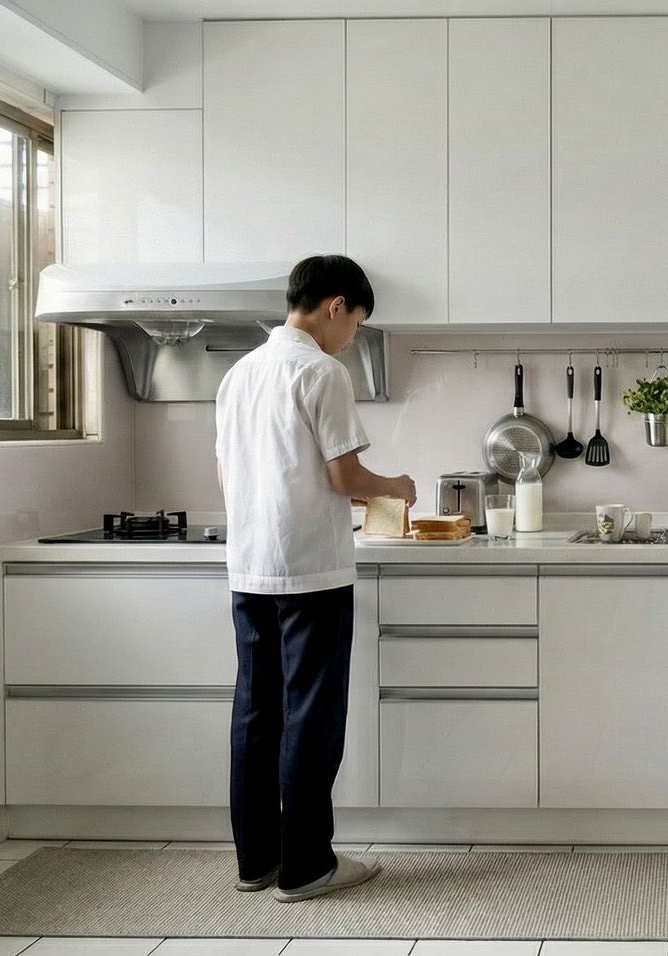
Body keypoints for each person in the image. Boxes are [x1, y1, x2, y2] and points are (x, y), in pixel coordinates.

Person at [214, 254, 415, 903]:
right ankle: (305, 867)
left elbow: (234, 475)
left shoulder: (239, 373)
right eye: (356, 322)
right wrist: (396, 486)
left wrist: (333, 489)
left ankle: (257, 861)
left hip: (250, 567)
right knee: (311, 716)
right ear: (335, 306)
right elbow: (344, 475)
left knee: (256, 713)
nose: (352, 336)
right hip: (310, 571)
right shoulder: (322, 371)